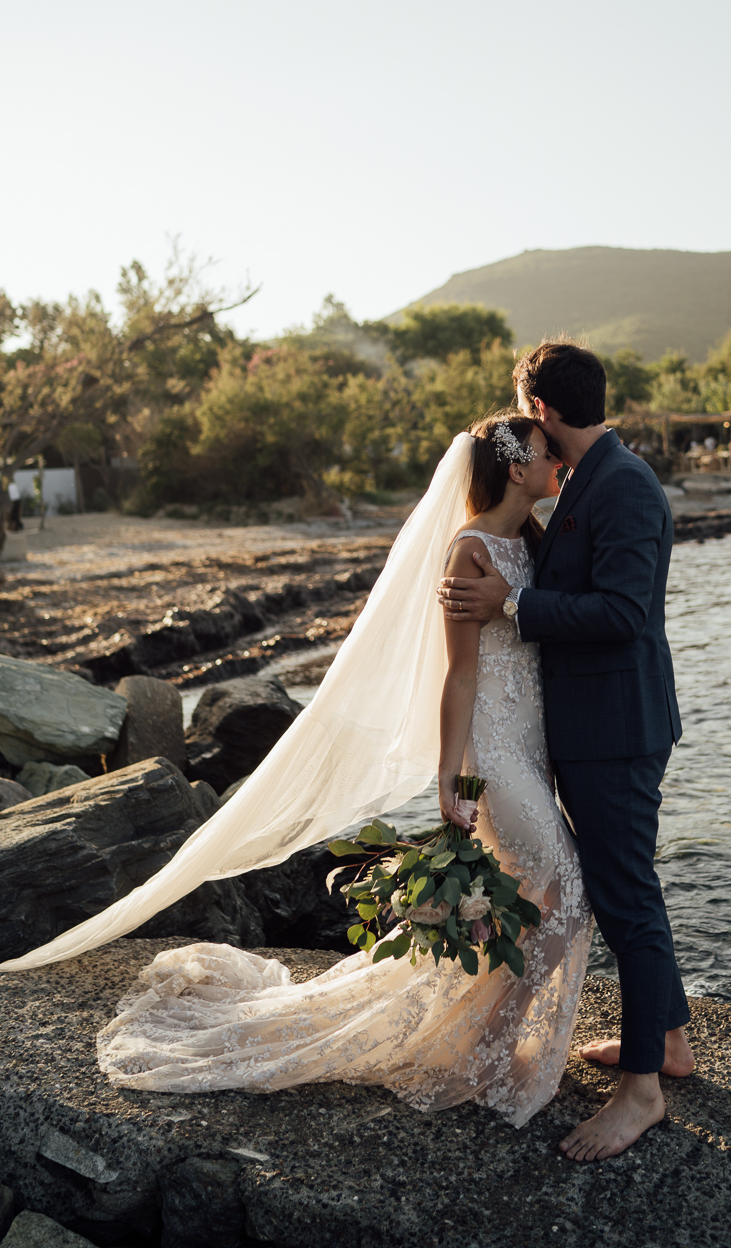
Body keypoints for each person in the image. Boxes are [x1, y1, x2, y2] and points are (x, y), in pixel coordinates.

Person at [5, 413, 593, 1131]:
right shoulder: (469, 553)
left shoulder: (533, 541)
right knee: (565, 886)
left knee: (531, 895)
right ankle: (501, 1048)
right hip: (496, 754)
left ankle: (484, 1036)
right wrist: (450, 778)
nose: (557, 462)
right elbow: (459, 678)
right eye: (544, 454)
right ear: (511, 467)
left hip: (533, 747)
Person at [438, 340, 692, 1163]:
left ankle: (644, 1093)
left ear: (540, 409)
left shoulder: (620, 486)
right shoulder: (586, 483)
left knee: (624, 898)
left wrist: (512, 601)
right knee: (627, 891)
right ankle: (671, 1044)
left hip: (616, 732)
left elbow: (622, 613)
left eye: (530, 418)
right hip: (583, 733)